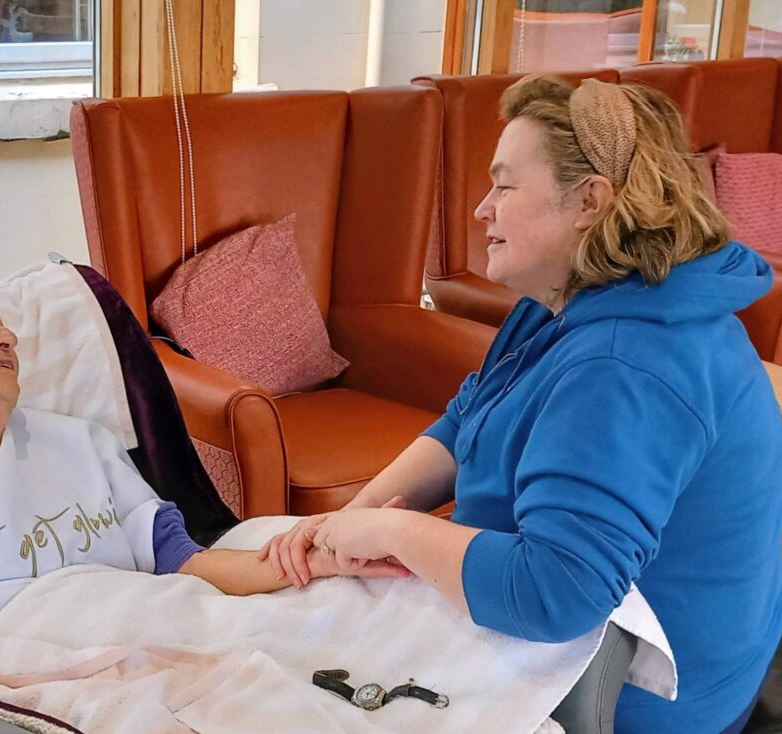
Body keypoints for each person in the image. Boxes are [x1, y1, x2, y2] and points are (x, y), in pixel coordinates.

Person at [261, 75, 782, 734]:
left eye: (505, 186)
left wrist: (391, 532)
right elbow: (470, 416)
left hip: (634, 701)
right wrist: (354, 515)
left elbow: (556, 591)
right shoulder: (572, 297)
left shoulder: (625, 365)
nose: (482, 208)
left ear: (589, 202)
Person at [0, 282, 406, 657]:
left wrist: (315, 557)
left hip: (145, 640)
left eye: (2, 325)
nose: (5, 338)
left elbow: (186, 565)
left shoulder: (81, 443)